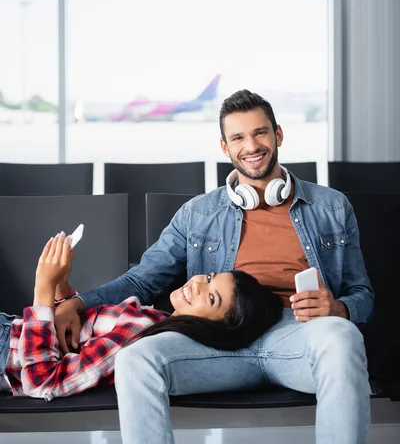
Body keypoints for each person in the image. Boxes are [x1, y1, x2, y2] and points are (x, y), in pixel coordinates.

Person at [55, 89, 374, 444]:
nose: (251, 146)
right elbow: (143, 280)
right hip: (218, 340)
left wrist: (339, 308)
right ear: (225, 148)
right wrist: (78, 303)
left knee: (343, 337)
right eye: (238, 137)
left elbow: (363, 293)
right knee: (136, 359)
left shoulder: (331, 206)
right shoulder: (198, 214)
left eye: (260, 133)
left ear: (278, 134)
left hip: (297, 333)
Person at [0, 233, 283, 400]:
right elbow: (75, 339)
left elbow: (42, 381)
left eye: (210, 297)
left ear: (217, 326)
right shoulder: (155, 318)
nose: (197, 284)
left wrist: (43, 288)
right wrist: (62, 289)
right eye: (209, 277)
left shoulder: (141, 334)